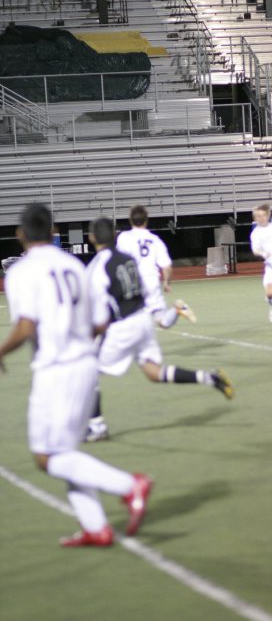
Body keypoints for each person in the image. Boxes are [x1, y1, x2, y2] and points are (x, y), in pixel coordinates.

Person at [0, 203, 152, 547]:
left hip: (56, 370)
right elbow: (100, 322)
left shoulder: (22, 271)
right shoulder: (74, 265)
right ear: (53, 231)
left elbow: (26, 325)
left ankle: (129, 485)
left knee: (46, 456)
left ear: (20, 234)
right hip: (83, 366)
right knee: (64, 452)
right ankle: (95, 526)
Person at [85, 216, 234, 439]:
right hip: (143, 320)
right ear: (115, 236)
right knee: (153, 372)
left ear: (91, 238)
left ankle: (96, 427)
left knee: (87, 371)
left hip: (124, 326)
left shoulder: (97, 266)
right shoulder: (127, 259)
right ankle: (210, 378)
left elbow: (98, 309)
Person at [116, 204, 197, 327]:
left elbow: (118, 261)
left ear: (130, 219)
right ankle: (177, 309)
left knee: (128, 321)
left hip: (133, 283)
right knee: (163, 322)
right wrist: (166, 282)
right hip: (151, 282)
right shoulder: (155, 240)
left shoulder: (123, 238)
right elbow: (167, 266)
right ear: (146, 220)